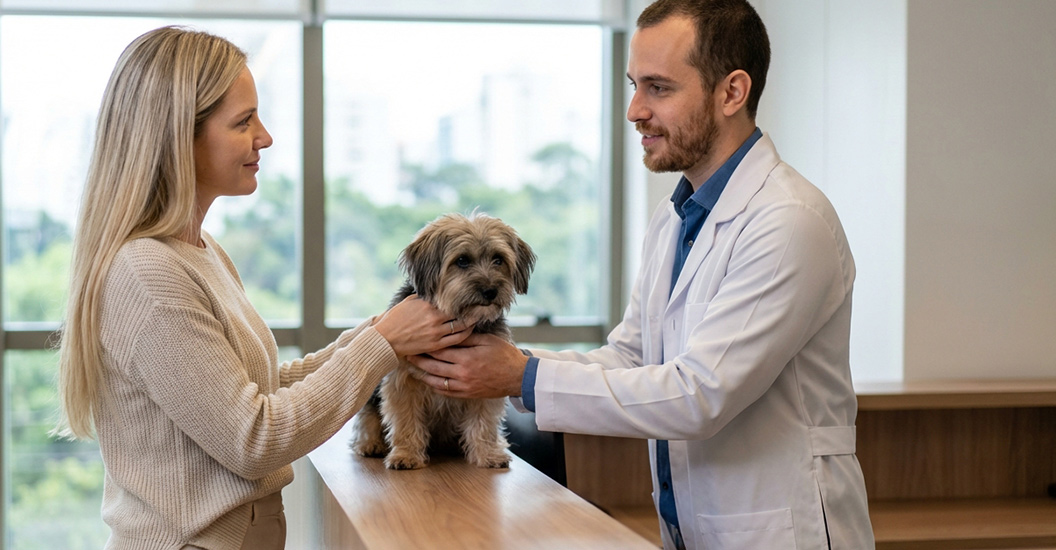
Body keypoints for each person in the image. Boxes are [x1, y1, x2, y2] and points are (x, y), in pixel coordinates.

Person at [409, 1, 876, 548]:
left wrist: (520, 376)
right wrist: (512, 363)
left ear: (732, 92)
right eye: (635, 85)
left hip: (779, 529)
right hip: (695, 524)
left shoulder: (788, 222)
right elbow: (632, 357)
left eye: (658, 88)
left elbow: (700, 394)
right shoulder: (675, 217)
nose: (634, 110)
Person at [54, 26, 470, 550]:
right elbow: (253, 438)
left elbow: (260, 385)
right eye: (243, 121)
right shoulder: (147, 274)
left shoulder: (198, 250)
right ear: (179, 135)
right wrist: (380, 344)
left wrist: (380, 333)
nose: (265, 137)